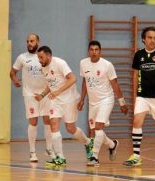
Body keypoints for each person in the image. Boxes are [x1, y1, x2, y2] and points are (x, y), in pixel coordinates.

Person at [124, 26, 155, 167]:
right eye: (150, 37)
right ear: (143, 39)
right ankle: (136, 156)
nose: (153, 40)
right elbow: (135, 74)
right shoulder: (138, 54)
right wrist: (135, 95)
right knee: (137, 121)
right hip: (143, 96)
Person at [35, 45, 93, 166]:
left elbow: (73, 78)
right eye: (38, 57)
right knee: (54, 124)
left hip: (69, 100)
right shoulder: (43, 68)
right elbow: (50, 84)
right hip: (55, 101)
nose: (39, 60)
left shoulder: (60, 63)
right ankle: (60, 157)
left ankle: (88, 142)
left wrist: (58, 91)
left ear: (49, 56)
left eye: (41, 57)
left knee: (70, 128)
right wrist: (42, 95)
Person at [77, 40, 128, 166]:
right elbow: (85, 82)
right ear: (88, 51)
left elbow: (115, 84)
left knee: (99, 127)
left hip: (106, 99)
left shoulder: (107, 65)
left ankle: (94, 157)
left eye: (96, 50)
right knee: (95, 130)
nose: (94, 52)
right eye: (92, 50)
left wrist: (122, 102)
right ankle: (112, 144)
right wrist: (82, 99)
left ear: (100, 51)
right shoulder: (83, 63)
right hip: (92, 102)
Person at [10, 33, 54, 162]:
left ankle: (49, 149)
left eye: (32, 41)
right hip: (30, 94)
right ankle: (32, 152)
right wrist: (15, 80)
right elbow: (12, 72)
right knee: (33, 121)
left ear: (38, 42)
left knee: (48, 120)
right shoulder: (22, 58)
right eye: (28, 41)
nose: (29, 43)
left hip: (45, 93)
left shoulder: (43, 56)